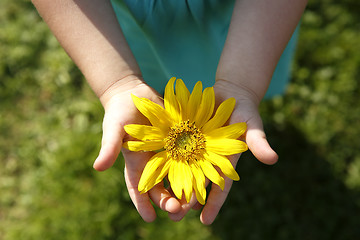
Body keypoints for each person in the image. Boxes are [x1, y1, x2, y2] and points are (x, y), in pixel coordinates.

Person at [31, 0, 308, 225]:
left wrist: (243, 83)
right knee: (154, 65)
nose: (186, 143)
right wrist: (117, 81)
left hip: (254, 28)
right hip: (131, 25)